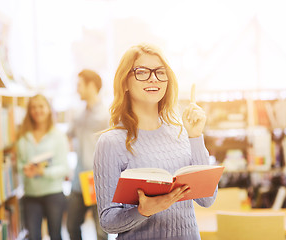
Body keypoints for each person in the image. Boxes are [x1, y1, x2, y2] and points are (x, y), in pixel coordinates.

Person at [93, 43, 217, 240]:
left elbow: (207, 199)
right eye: (142, 72)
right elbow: (108, 222)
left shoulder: (182, 132)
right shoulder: (111, 142)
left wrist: (195, 137)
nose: (153, 78)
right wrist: (143, 211)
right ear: (124, 82)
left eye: (160, 72)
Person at [17, 94, 69, 240]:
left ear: (48, 109)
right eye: (33, 107)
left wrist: (43, 172)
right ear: (29, 111)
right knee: (33, 236)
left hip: (53, 193)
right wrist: (25, 169)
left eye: (41, 106)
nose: (37, 110)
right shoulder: (23, 137)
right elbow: (20, 164)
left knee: (55, 235)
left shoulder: (58, 136)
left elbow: (64, 168)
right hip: (31, 195)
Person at [66, 69, 109, 240]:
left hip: (99, 181)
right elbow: (68, 135)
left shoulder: (107, 115)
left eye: (79, 85)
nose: (77, 89)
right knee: (71, 225)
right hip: (78, 181)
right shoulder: (78, 115)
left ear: (91, 86)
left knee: (101, 231)